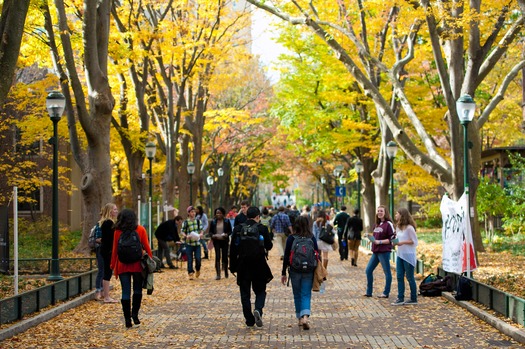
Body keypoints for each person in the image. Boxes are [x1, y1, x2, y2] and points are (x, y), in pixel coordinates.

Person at [229, 206, 273, 327]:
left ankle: (249, 319)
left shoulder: (238, 229)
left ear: (247, 216)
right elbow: (269, 246)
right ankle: (258, 309)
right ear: (258, 217)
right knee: (260, 290)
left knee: (244, 293)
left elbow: (232, 249)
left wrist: (232, 266)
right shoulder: (262, 228)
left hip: (243, 265)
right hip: (259, 264)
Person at [111, 208, 153, 328]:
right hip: (137, 265)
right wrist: (150, 261)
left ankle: (127, 319)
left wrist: (113, 266)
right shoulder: (140, 229)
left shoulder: (117, 231)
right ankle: (135, 315)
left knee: (125, 292)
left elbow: (115, 250)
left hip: (122, 265)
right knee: (137, 291)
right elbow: (146, 246)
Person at [281, 216, 319, 330]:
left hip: (295, 269)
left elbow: (286, 256)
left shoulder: (291, 238)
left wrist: (283, 273)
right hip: (309, 270)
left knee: (297, 294)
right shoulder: (311, 238)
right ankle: (305, 317)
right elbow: (317, 253)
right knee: (306, 293)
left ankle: (299, 318)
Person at [364, 205, 395, 298]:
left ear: (385, 213)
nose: (379, 213)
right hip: (375, 252)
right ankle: (369, 292)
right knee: (368, 270)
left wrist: (380, 242)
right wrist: (370, 237)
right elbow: (376, 237)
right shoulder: (376, 225)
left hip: (384, 251)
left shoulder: (388, 224)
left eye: (381, 211)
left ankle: (386, 292)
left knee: (387, 272)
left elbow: (392, 239)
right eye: (378, 211)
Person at [391, 208, 419, 306]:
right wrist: (395, 242)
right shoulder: (398, 227)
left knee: (410, 277)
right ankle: (400, 297)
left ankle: (413, 298)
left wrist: (402, 242)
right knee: (399, 276)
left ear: (402, 215)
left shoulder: (410, 228)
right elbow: (397, 239)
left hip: (408, 255)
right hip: (400, 254)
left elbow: (415, 242)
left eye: (397, 214)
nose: (395, 215)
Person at [99, 203, 119, 303]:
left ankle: (105, 294)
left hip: (106, 250)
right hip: (107, 251)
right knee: (107, 272)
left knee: (107, 272)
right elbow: (110, 239)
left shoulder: (108, 223)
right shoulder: (108, 223)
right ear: (110, 211)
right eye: (114, 209)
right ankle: (106, 297)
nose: (116, 211)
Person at [208, 207, 233, 280]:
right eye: (217, 213)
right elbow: (210, 232)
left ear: (223, 214)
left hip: (224, 240)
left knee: (225, 256)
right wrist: (212, 235)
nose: (218, 215)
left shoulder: (227, 221)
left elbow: (230, 231)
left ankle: (226, 271)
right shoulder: (213, 222)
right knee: (218, 256)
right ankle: (218, 274)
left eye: (220, 213)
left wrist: (226, 234)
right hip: (217, 241)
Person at [181, 206, 204, 280]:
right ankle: (190, 272)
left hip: (197, 244)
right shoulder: (186, 222)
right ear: (188, 213)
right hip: (189, 244)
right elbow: (182, 231)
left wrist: (201, 234)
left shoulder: (198, 221)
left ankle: (198, 269)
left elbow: (201, 230)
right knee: (190, 259)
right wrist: (186, 236)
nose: (193, 213)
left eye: (194, 212)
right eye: (192, 212)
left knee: (198, 258)